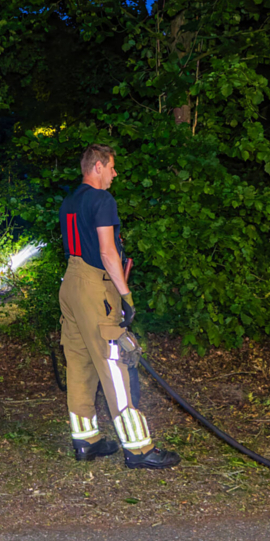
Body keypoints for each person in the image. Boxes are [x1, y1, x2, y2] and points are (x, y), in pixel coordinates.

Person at [58, 145, 180, 468]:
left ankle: (86, 440)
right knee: (115, 364)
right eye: (111, 167)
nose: (114, 174)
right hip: (93, 285)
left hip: (70, 281)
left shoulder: (69, 201)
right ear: (97, 167)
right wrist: (124, 295)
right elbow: (108, 252)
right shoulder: (102, 201)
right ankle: (138, 448)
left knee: (79, 361)